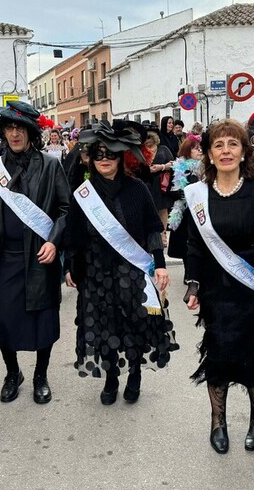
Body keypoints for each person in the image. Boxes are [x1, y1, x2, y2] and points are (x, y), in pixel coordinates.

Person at [64, 120, 177, 404]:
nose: (104, 159)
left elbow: (153, 228)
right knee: (103, 327)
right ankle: (112, 377)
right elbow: (74, 234)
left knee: (134, 325)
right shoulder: (83, 193)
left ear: (122, 156)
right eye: (99, 153)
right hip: (95, 272)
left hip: (131, 271)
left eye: (111, 154)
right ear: (90, 156)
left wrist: (160, 263)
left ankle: (135, 373)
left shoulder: (137, 189)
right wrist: (69, 266)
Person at [183, 119, 254, 454]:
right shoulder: (199, 195)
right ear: (208, 154)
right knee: (220, 354)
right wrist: (193, 284)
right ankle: (218, 422)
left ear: (243, 151)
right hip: (216, 289)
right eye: (218, 145)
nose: (226, 151)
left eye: (232, 144)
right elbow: (194, 243)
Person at [0, 101, 70, 404]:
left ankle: (41, 374)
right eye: (9, 128)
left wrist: (54, 241)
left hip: (41, 256)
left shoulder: (50, 165)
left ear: (31, 131)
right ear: (3, 133)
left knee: (43, 320)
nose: (14, 133)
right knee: (4, 320)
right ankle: (12, 372)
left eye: (19, 128)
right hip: (6, 256)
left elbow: (65, 209)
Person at [166, 137, 202, 261]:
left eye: (201, 148)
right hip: (184, 211)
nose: (200, 151)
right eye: (196, 148)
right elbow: (170, 190)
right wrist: (183, 193)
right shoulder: (179, 167)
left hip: (200, 209)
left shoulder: (205, 167)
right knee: (185, 246)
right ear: (188, 150)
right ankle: (188, 273)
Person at [144, 128, 175, 240]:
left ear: (154, 138)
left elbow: (173, 163)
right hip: (148, 183)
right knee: (150, 210)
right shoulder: (142, 151)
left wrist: (161, 167)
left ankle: (163, 235)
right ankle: (154, 235)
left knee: (162, 209)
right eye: (145, 138)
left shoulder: (163, 149)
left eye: (149, 138)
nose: (147, 141)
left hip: (162, 184)